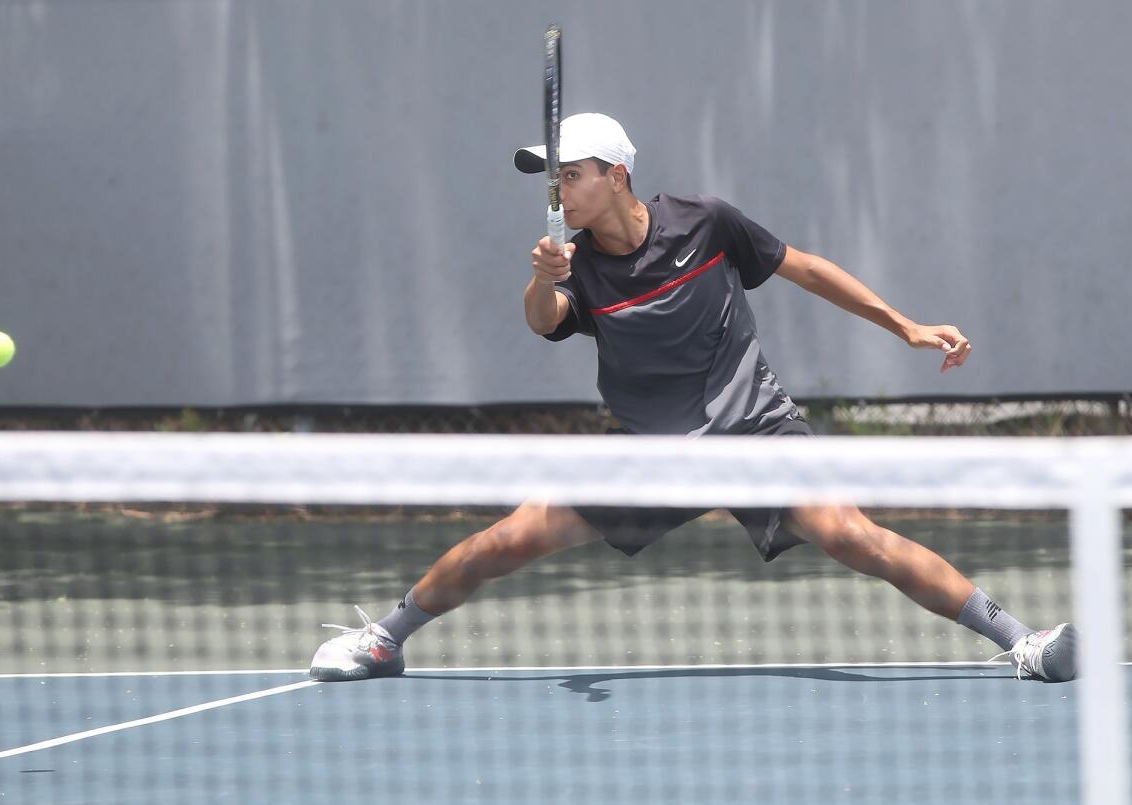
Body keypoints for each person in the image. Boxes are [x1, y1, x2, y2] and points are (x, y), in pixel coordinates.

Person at [310, 113, 1076, 684]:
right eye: (552, 179)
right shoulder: (571, 263)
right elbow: (545, 323)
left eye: (570, 173)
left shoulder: (704, 223)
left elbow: (803, 267)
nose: (559, 190)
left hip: (754, 431)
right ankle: (386, 638)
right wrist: (543, 280)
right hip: (652, 450)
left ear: (615, 174)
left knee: (855, 535)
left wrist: (905, 326)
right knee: (509, 539)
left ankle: (1023, 642)